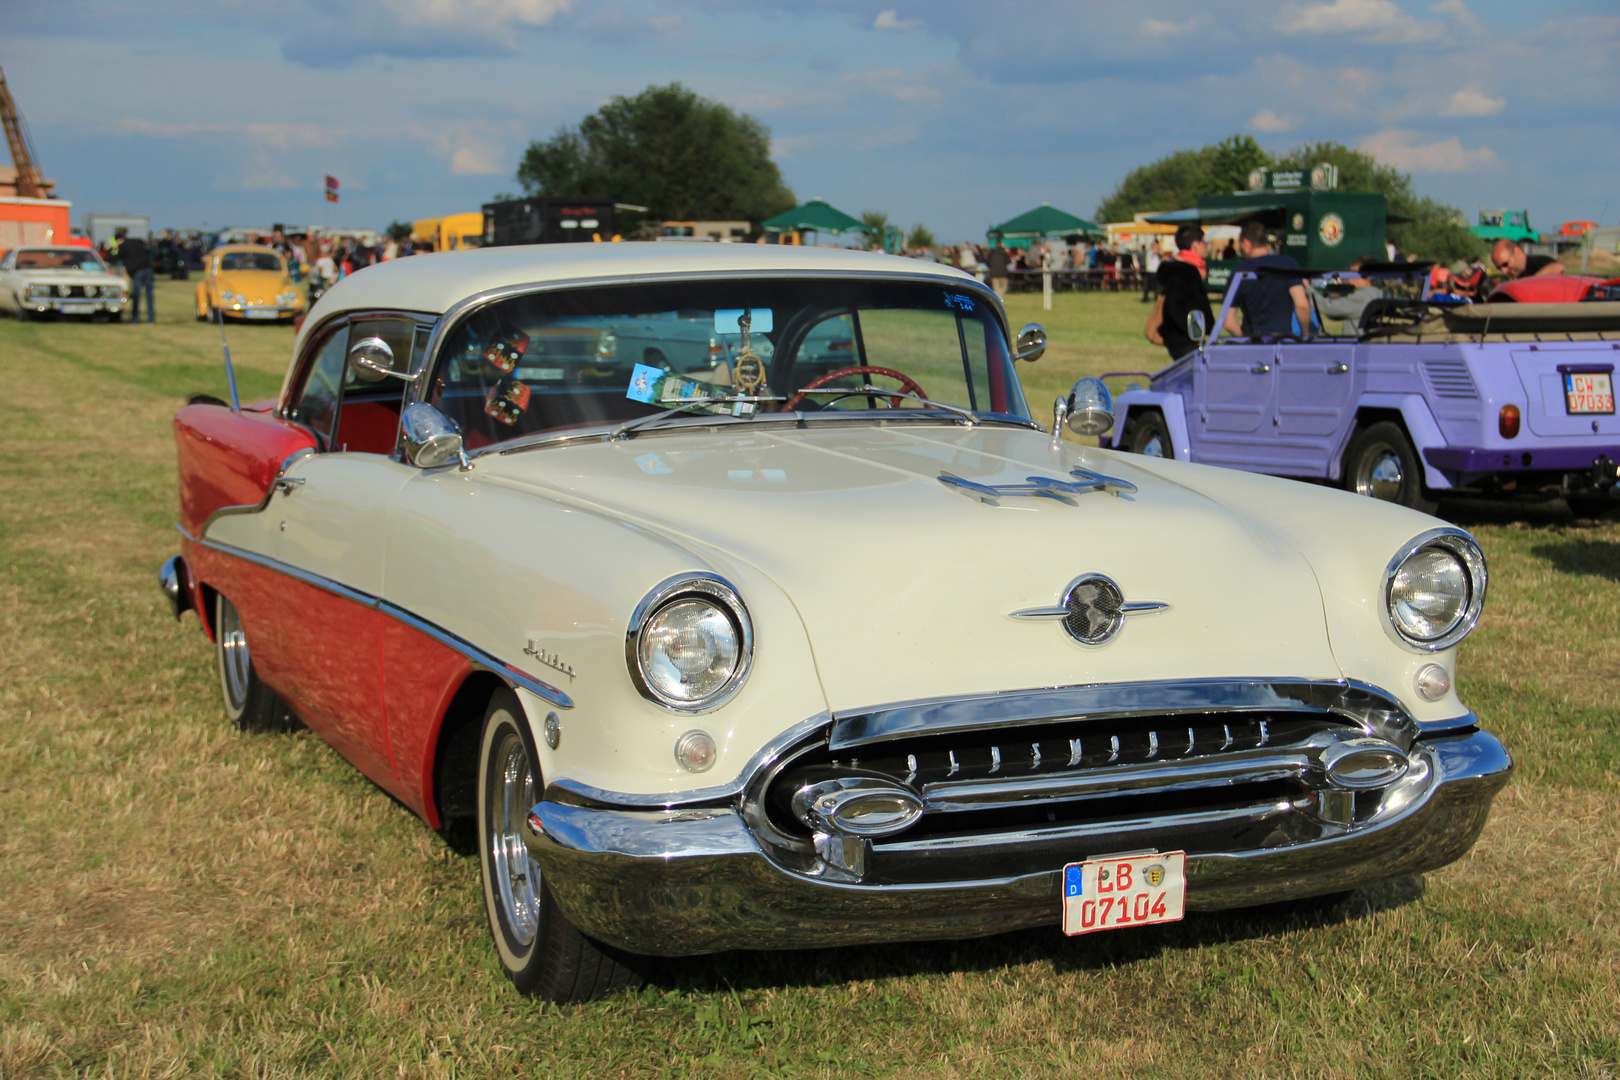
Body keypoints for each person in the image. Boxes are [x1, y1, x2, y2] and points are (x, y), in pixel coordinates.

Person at [1222, 219, 1311, 338]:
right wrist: (1305, 334)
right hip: (1283, 342)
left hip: (1255, 345)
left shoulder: (1238, 273)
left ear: (1246, 243)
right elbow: (1302, 305)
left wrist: (1247, 340)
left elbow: (1228, 322)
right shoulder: (1287, 264)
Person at [1144, 224, 1214, 362]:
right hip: (1184, 338)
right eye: (1203, 242)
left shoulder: (1174, 267)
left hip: (1177, 336)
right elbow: (1178, 306)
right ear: (1195, 244)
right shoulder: (1187, 271)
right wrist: (1197, 331)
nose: (1206, 246)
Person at [1314, 257, 1384, 329]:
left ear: (1367, 276)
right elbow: (1335, 315)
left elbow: (1329, 308)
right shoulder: (1378, 293)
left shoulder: (1360, 297)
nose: (1349, 276)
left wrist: (1308, 290)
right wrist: (1336, 294)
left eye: (1353, 272)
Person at [116, 228, 155, 323]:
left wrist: (111, 250)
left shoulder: (123, 246)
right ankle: (151, 318)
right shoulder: (137, 241)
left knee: (136, 295)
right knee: (149, 294)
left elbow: (115, 257)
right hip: (147, 268)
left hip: (136, 271)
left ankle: (135, 318)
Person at [1490, 238, 1564, 279]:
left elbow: (1558, 267)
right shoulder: (1519, 275)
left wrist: (1529, 282)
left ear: (1517, 251)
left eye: (1505, 264)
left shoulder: (1537, 262)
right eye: (1499, 268)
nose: (1504, 271)